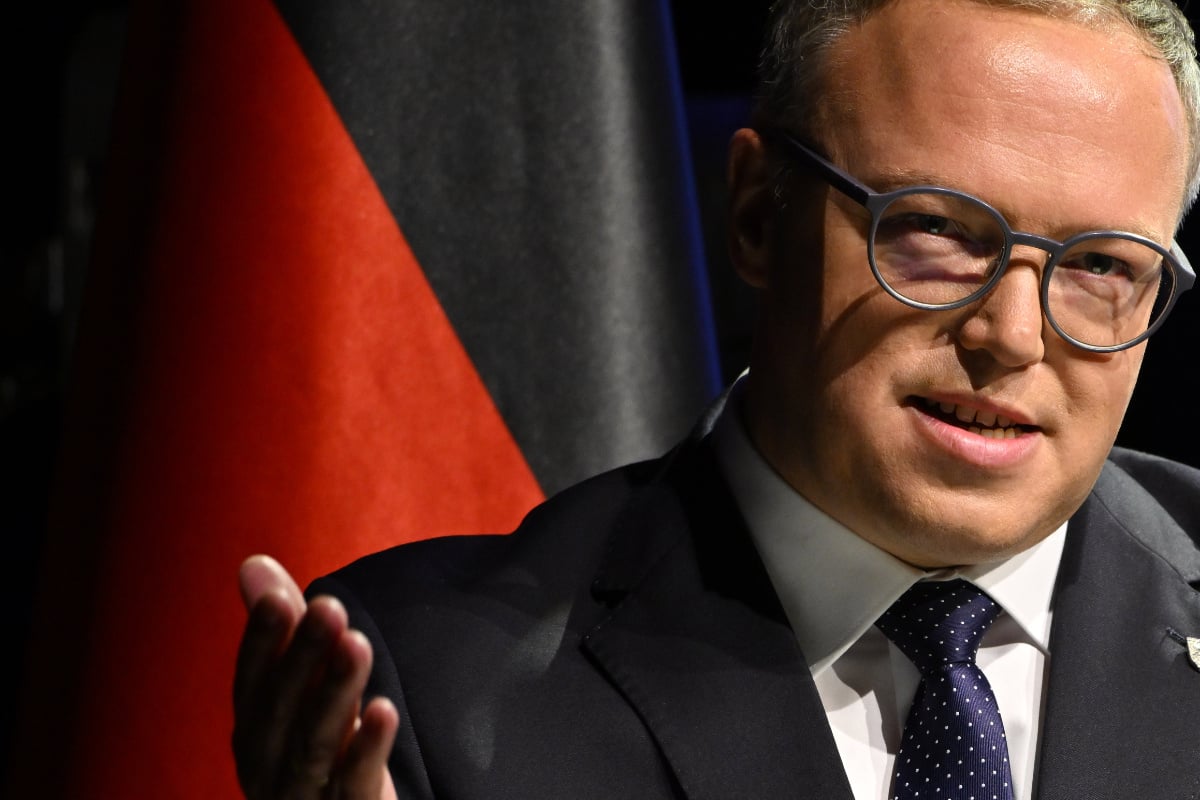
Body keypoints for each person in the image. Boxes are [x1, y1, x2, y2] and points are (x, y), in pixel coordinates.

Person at [232, 0, 1200, 797]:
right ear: (755, 214)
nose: (1015, 334)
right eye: (936, 230)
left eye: (1103, 266)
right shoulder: (427, 685)